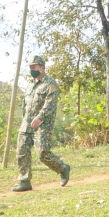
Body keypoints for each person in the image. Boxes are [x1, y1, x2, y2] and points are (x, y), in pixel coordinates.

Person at [12, 55, 70, 192]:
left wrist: (40, 117)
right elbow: (25, 105)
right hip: (26, 124)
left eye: (34, 67)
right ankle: (24, 180)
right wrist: (24, 119)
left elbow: (50, 104)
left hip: (42, 124)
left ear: (42, 68)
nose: (31, 69)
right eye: (30, 67)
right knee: (21, 152)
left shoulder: (51, 84)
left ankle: (63, 168)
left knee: (42, 153)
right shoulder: (30, 85)